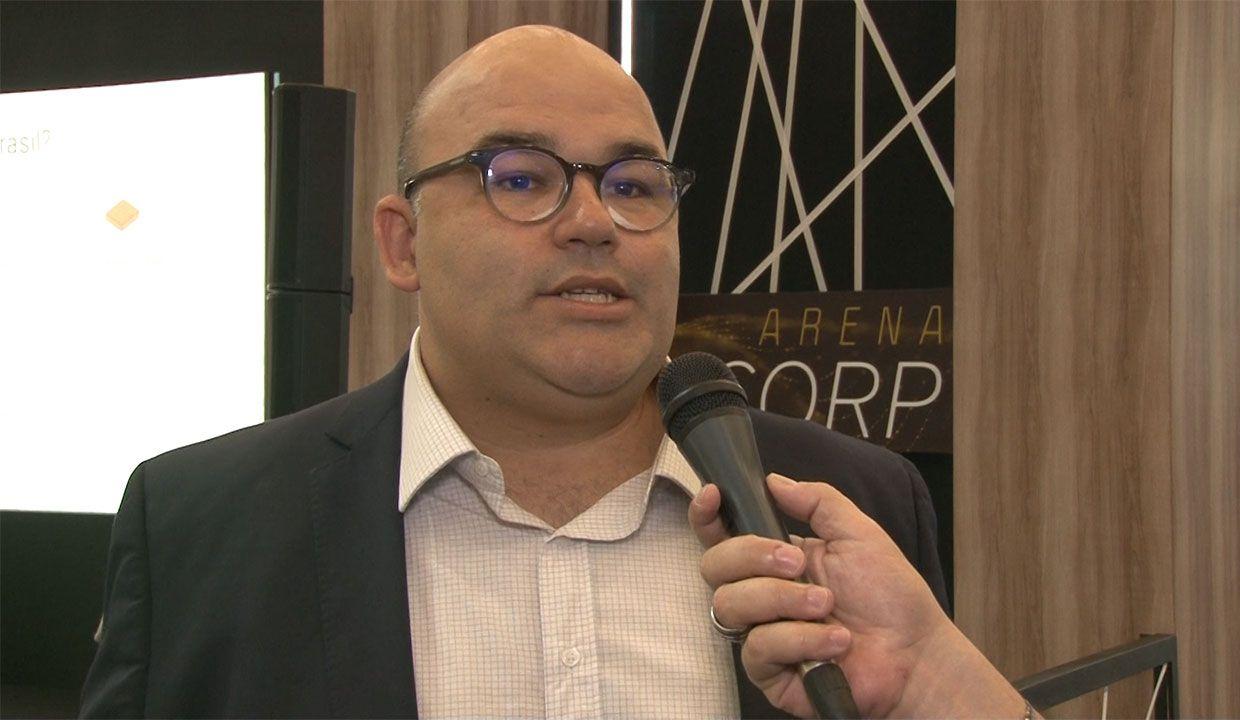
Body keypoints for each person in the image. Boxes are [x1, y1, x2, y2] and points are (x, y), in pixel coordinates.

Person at [80, 25, 1029, 719]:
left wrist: (940, 690)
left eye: (633, 185)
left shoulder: (853, 508)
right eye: (522, 177)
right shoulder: (202, 528)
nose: (593, 222)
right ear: (403, 244)